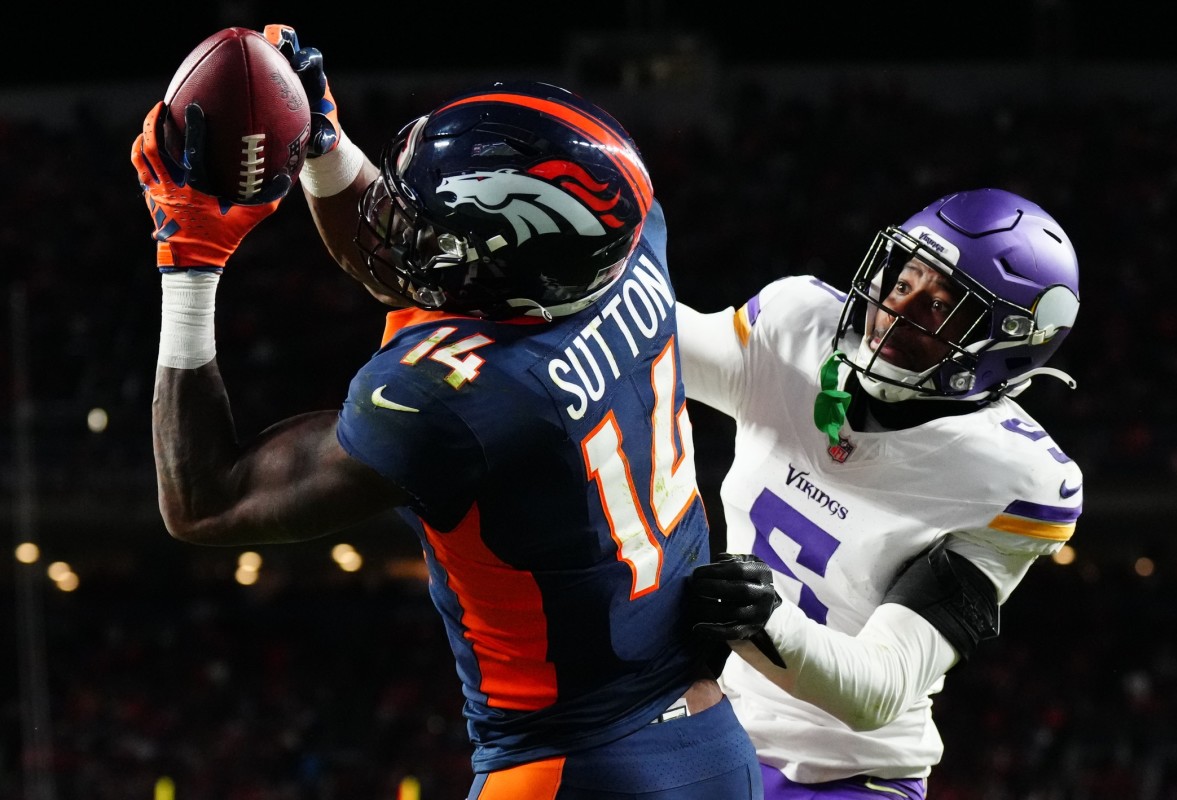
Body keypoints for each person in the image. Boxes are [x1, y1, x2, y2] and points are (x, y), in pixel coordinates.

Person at [130, 24, 763, 800]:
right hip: (711, 746)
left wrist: (189, 262)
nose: (401, 223)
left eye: (425, 222)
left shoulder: (453, 396)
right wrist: (324, 144)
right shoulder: (628, 239)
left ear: (491, 267)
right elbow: (428, 263)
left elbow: (205, 500)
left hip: (574, 769)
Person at [678, 188, 1083, 799]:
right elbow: (648, 344)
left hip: (850, 776)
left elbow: (879, 690)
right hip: (719, 733)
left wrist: (762, 620)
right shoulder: (800, 328)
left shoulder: (1009, 478)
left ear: (1006, 345)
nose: (898, 311)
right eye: (904, 282)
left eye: (943, 307)